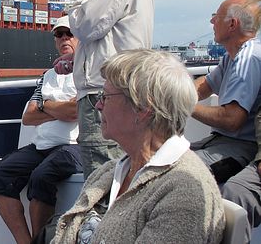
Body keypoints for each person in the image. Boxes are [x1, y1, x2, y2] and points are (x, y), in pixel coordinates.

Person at [53, 49, 225, 243]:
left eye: (105, 96)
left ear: (143, 108)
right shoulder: (110, 172)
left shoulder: (183, 194)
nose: (98, 105)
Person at [61, 0, 154, 178]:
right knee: (121, 174)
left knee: (100, 182)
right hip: (125, 89)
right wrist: (77, 59)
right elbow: (113, 35)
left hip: (102, 95)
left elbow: (84, 26)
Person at [0, 16, 81, 244]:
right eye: (59, 34)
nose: (64, 37)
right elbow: (28, 117)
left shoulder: (88, 72)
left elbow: (75, 111)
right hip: (41, 146)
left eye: (69, 33)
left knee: (41, 176)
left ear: (81, 38)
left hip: (75, 146)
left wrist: (45, 106)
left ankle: (41, 241)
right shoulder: (47, 76)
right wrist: (59, 107)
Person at [190, 0, 261, 182]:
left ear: (232, 24)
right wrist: (176, 91)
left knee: (176, 172)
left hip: (239, 149)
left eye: (216, 16)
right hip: (220, 142)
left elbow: (232, 119)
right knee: (161, 159)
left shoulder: (248, 57)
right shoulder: (233, 55)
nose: (212, 21)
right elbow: (205, 86)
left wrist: (183, 104)